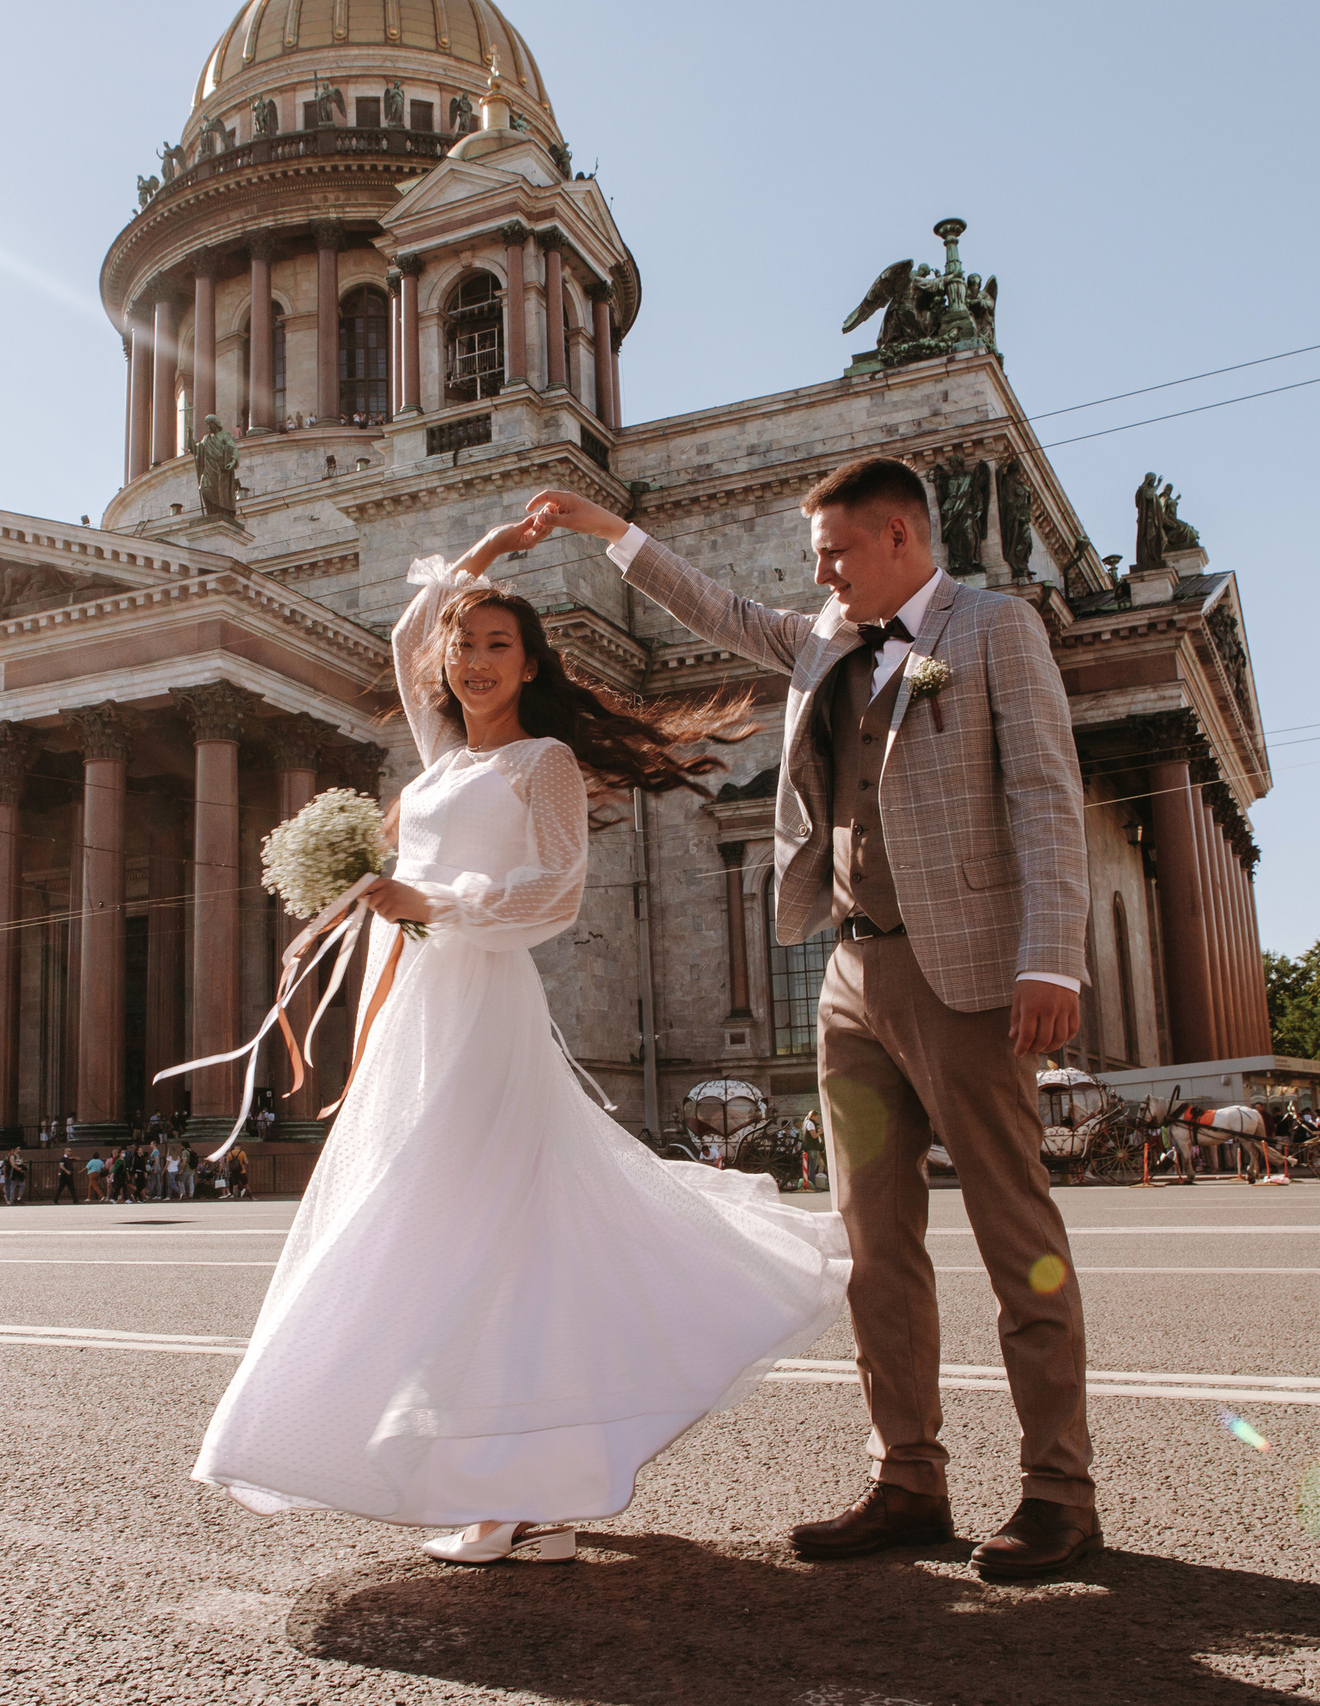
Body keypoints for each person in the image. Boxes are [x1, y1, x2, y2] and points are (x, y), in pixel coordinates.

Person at [192, 513, 850, 1567]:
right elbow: (413, 627)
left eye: (499, 644)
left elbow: (552, 895)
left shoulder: (540, 762)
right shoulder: (439, 756)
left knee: (476, 1230)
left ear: (531, 664)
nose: (474, 659)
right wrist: (483, 553)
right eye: (466, 645)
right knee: (440, 1221)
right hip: (411, 996)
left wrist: (433, 900)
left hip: (475, 995)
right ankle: (508, 1475)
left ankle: (505, 1490)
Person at [530, 463, 1099, 1578]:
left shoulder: (995, 629)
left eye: (833, 552)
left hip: (970, 980)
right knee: (871, 1248)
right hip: (853, 976)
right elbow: (720, 611)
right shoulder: (829, 640)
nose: (818, 574)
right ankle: (907, 1477)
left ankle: (1056, 1490)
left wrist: (1051, 958)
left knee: (1014, 1238)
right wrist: (609, 531)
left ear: (897, 533)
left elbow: (1044, 792)